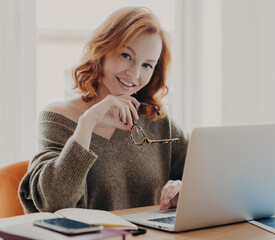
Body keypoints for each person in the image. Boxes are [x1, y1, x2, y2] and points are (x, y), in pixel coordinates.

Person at [19, 7, 188, 214]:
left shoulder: (157, 120)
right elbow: (55, 202)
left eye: (147, 65)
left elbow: (205, 179)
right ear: (103, 50)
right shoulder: (58, 118)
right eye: (126, 56)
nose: (134, 74)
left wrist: (183, 189)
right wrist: (87, 123)